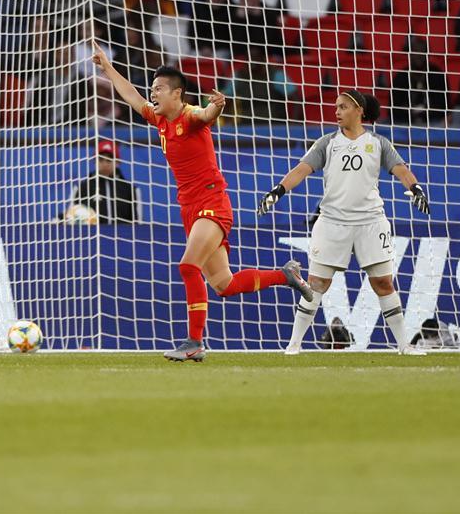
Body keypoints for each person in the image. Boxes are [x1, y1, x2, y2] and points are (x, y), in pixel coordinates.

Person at [92, 42, 314, 362]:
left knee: (187, 265)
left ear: (177, 94)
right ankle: (286, 275)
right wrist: (107, 69)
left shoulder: (190, 116)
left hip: (212, 203)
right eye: (152, 89)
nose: (152, 95)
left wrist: (217, 107)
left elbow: (207, 113)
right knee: (224, 284)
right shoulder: (160, 120)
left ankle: (195, 341)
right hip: (189, 208)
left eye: (158, 90)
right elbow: (130, 95)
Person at [257, 90, 431, 355]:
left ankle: (404, 345)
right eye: (336, 107)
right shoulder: (327, 143)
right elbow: (301, 169)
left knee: (383, 283)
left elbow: (401, 170)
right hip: (332, 222)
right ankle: (294, 344)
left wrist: (416, 188)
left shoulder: (378, 143)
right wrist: (277, 190)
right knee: (316, 284)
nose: (337, 112)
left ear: (359, 110)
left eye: (343, 107)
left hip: (371, 222)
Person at [68, 140, 136, 224]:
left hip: (123, 236)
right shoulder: (82, 187)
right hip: (91, 235)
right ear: (95, 161)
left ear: (118, 162)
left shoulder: (130, 189)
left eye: (109, 160)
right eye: (100, 159)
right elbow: (71, 216)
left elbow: (137, 222)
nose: (105, 163)